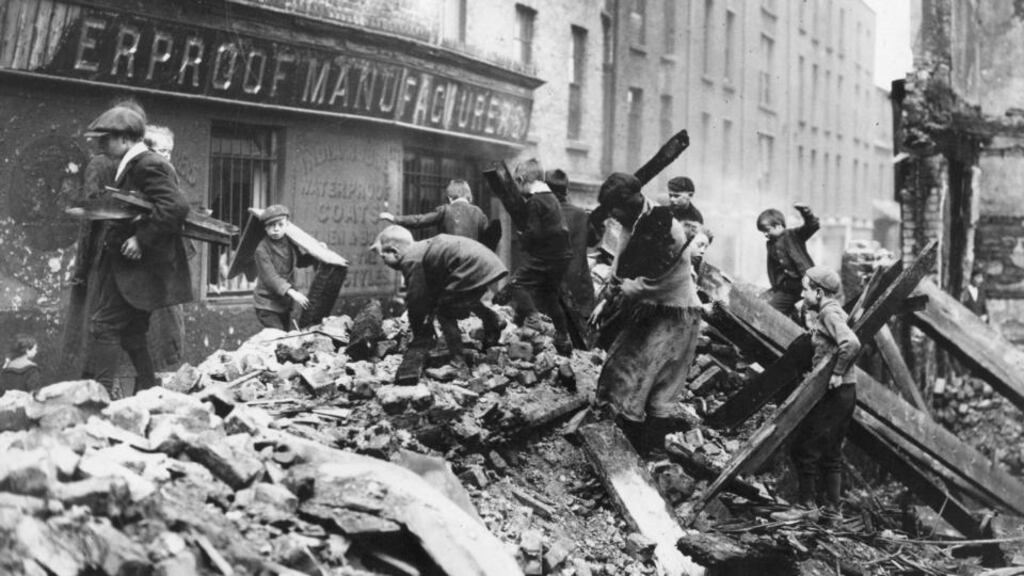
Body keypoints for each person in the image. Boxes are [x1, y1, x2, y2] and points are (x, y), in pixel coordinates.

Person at [590, 172, 707, 458]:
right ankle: (620, 439)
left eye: (614, 210)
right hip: (651, 309)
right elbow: (622, 264)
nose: (612, 217)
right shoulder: (634, 221)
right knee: (625, 367)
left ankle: (649, 453)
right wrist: (608, 296)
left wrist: (622, 292)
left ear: (628, 203)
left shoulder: (664, 228)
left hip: (676, 314)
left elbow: (657, 281)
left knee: (656, 381)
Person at [81, 104, 193, 398]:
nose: (102, 145)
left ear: (126, 138)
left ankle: (101, 401)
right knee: (131, 333)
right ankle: (151, 391)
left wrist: (142, 239)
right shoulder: (131, 163)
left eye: (106, 139)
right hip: (130, 270)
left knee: (104, 325)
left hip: (138, 269)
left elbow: (176, 207)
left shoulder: (147, 164)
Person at [371, 225, 507, 375]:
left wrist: (419, 334)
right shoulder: (421, 249)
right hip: (484, 262)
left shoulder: (411, 260)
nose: (384, 261)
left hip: (473, 266)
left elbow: (416, 300)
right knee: (460, 296)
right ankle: (493, 320)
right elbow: (433, 291)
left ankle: (458, 363)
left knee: (445, 312)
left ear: (394, 252)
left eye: (383, 256)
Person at [788, 266, 861, 520]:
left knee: (804, 447)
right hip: (845, 394)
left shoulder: (830, 313)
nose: (802, 293)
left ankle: (805, 507)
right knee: (831, 451)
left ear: (819, 292)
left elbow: (851, 343)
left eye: (805, 289)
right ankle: (832, 510)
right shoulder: (831, 312)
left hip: (835, 392)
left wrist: (838, 372)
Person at [507, 158, 573, 355]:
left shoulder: (535, 201)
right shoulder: (551, 197)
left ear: (521, 179)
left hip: (547, 256)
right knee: (550, 295)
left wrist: (523, 239)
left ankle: (533, 320)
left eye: (516, 184)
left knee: (517, 283)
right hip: (562, 256)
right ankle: (563, 337)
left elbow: (534, 232)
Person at [252, 204, 316, 330]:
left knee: (285, 339)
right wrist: (293, 293)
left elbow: (300, 261)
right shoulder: (262, 250)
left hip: (284, 303)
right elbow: (271, 278)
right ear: (265, 228)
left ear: (287, 225)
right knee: (279, 337)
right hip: (267, 304)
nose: (276, 229)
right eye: (271, 225)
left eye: (280, 225)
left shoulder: (289, 243)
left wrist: (317, 253)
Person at [545, 168, 596, 320]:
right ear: (566, 190)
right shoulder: (580, 214)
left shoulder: (541, 214)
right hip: (580, 289)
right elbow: (594, 240)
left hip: (551, 290)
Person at [757, 203, 820, 318]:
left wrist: (806, 213)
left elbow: (812, 226)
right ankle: (794, 321)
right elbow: (773, 268)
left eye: (767, 230)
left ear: (778, 226)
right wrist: (776, 286)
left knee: (816, 312)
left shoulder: (794, 235)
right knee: (764, 305)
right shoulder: (771, 244)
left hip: (805, 285)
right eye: (763, 232)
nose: (765, 234)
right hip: (787, 288)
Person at [380, 179, 490, 242]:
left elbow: (419, 220)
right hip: (473, 259)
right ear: (468, 195)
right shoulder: (479, 213)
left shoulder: (445, 210)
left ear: (450, 197)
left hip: (450, 257)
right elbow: (489, 237)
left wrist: (394, 218)